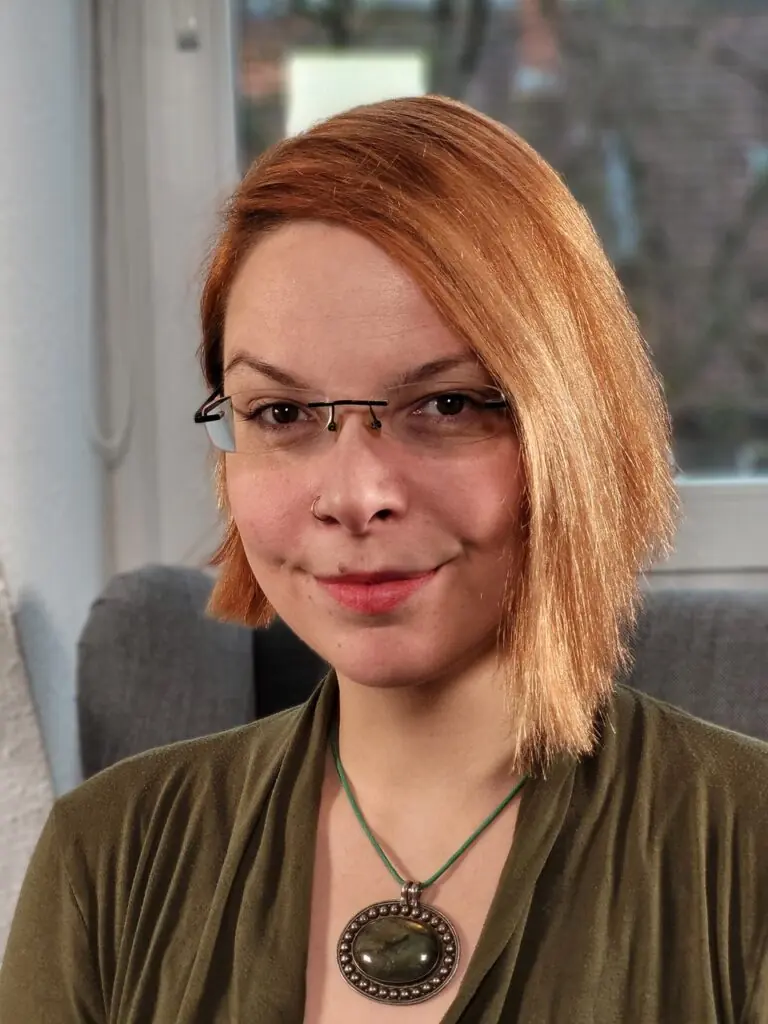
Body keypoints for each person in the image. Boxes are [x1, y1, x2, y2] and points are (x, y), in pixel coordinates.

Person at [1, 95, 766, 1024]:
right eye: (282, 414)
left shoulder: (747, 853)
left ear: (574, 426)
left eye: (446, 405)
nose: (355, 494)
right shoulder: (104, 857)